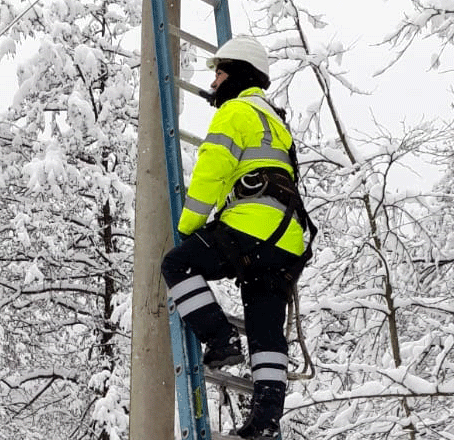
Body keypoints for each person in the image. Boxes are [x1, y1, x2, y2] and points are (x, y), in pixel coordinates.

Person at [160, 35, 312, 440]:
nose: (213, 84)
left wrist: (188, 225)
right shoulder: (277, 121)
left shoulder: (235, 111)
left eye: (219, 74)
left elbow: (212, 169)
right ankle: (265, 420)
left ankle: (221, 339)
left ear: (239, 75)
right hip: (287, 242)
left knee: (179, 264)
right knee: (265, 329)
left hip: (249, 227)